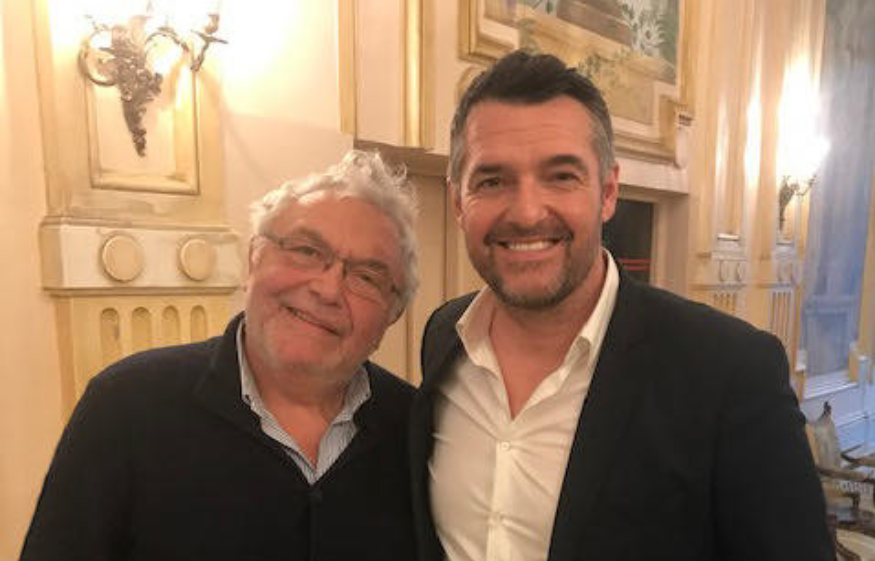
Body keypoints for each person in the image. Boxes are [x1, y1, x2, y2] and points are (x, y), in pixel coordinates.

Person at [409, 50, 834, 561]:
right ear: (459, 201)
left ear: (608, 192)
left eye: (561, 176)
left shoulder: (730, 373)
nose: (526, 212)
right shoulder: (444, 336)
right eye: (492, 181)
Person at [22, 150, 419, 561]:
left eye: (366, 277)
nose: (328, 289)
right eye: (305, 251)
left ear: (393, 313)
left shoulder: (417, 427)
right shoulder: (126, 405)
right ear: (253, 259)